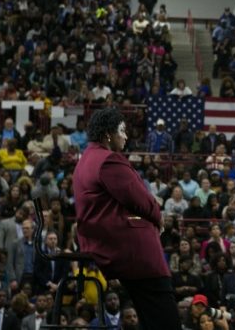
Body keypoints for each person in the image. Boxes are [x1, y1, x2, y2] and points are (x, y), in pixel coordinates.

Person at [72, 108, 181, 330]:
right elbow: (141, 199)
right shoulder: (109, 160)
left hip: (104, 242)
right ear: (108, 135)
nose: (126, 136)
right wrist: (158, 217)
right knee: (166, 319)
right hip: (128, 248)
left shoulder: (86, 159)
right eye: (122, 131)